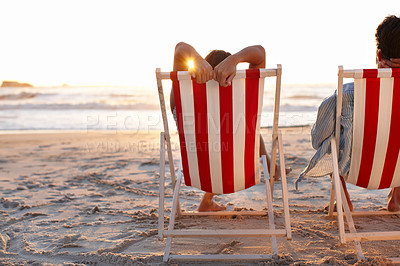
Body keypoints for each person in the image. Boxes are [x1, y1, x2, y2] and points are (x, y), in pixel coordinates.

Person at [171, 42, 291, 212]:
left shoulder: (181, 101)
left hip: (202, 172)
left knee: (231, 135)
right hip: (236, 174)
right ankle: (272, 166)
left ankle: (206, 202)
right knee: (247, 128)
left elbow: (180, 49)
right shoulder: (243, 102)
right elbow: (260, 53)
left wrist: (195, 59)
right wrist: (235, 60)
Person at [297, 15, 400, 212]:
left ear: (379, 55)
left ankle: (344, 201)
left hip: (356, 170)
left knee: (330, 140)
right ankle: (397, 197)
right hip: (396, 170)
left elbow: (317, 137)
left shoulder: (348, 94)